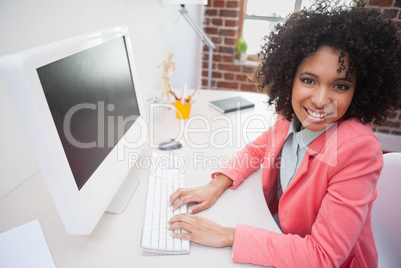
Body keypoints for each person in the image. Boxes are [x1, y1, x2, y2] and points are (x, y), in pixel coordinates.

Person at [168, 0, 401, 267]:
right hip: (279, 232)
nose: (320, 100)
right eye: (309, 80)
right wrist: (216, 184)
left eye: (339, 85)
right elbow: (259, 148)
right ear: (290, 76)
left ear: (358, 89)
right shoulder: (291, 115)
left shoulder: (358, 151)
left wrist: (227, 235)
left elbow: (322, 256)